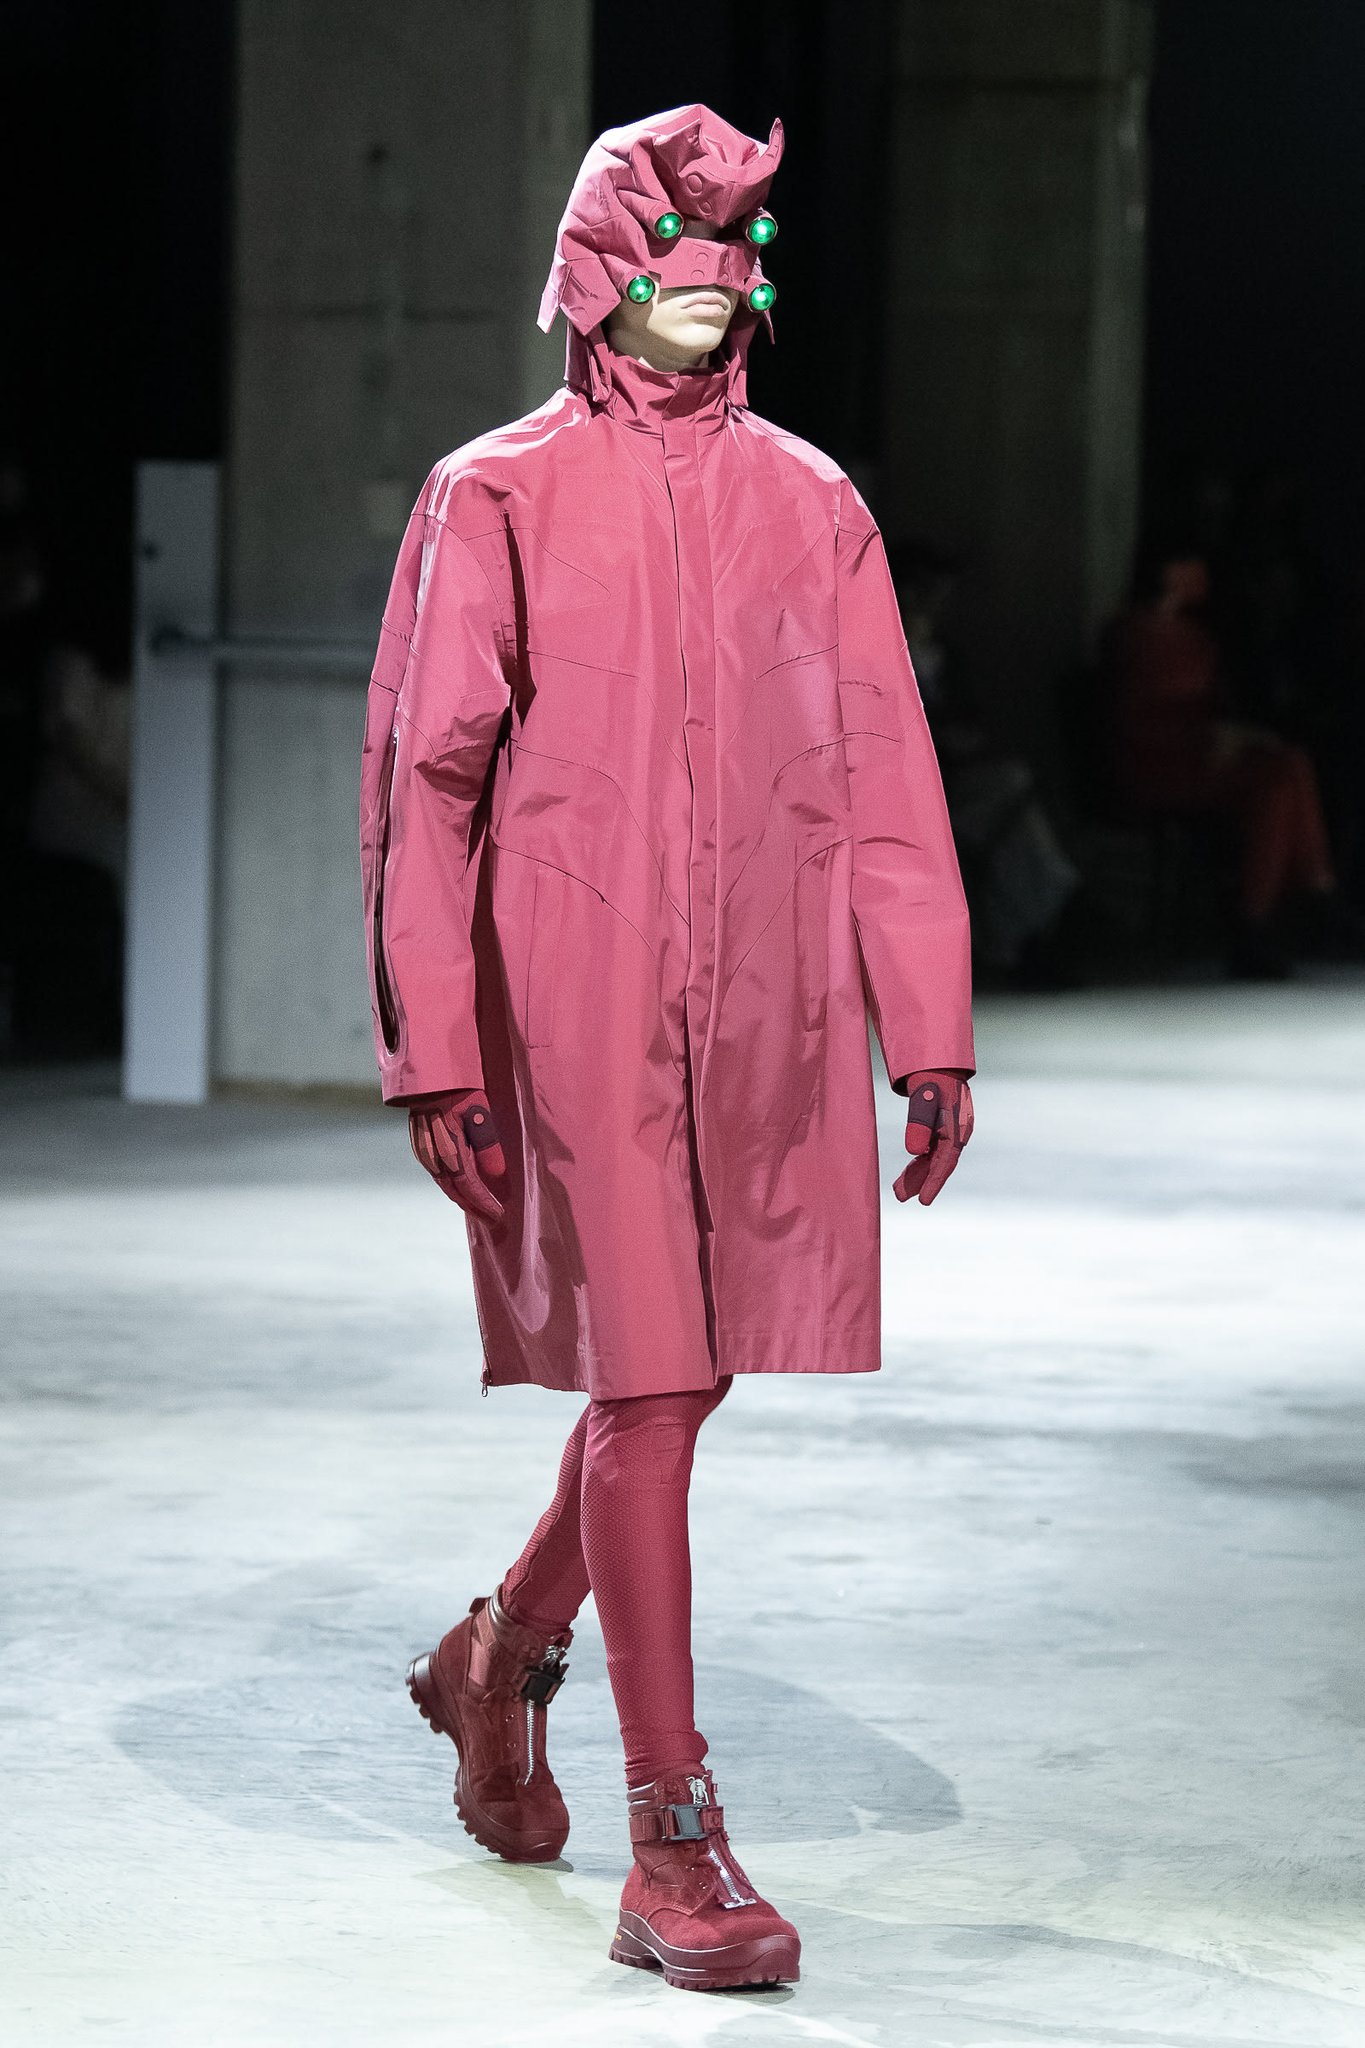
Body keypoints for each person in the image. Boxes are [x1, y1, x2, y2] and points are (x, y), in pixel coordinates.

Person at [359, 105, 975, 1994]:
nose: (706, 302)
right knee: (652, 1384)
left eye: (733, 273)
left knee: (681, 1383)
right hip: (572, 1001)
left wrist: (928, 1023)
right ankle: (672, 1837)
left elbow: (884, 772)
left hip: (771, 999)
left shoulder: (814, 503)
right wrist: (432, 1045)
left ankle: (497, 1656)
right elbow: (426, 784)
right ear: (594, 284)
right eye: (670, 271)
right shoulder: (496, 494)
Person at [1103, 549, 1365, 978]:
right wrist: (1212, 734)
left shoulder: (1196, 636)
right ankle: (1295, 900)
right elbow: (1138, 719)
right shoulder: (1133, 634)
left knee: (1290, 764)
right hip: (1160, 761)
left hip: (1202, 754)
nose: (1203, 573)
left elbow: (1213, 705)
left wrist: (1234, 734)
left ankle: (1292, 901)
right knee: (1278, 779)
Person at [888, 537, 1083, 987]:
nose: (936, 605)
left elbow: (971, 721)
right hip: (908, 787)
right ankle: (1031, 922)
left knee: (1013, 812)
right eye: (927, 592)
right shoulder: (876, 649)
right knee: (1012, 800)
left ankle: (1021, 930)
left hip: (957, 776)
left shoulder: (946, 655)